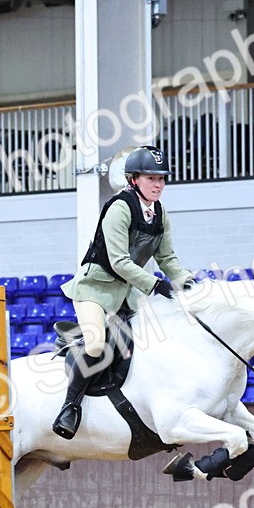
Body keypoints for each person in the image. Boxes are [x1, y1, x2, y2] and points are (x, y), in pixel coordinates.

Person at [53, 145, 194, 440]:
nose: (158, 184)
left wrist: (186, 281)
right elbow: (119, 261)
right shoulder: (119, 208)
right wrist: (155, 285)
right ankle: (70, 407)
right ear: (134, 180)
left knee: (152, 339)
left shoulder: (160, 212)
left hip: (128, 293)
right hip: (95, 290)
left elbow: (167, 258)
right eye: (151, 178)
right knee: (95, 346)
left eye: (161, 179)